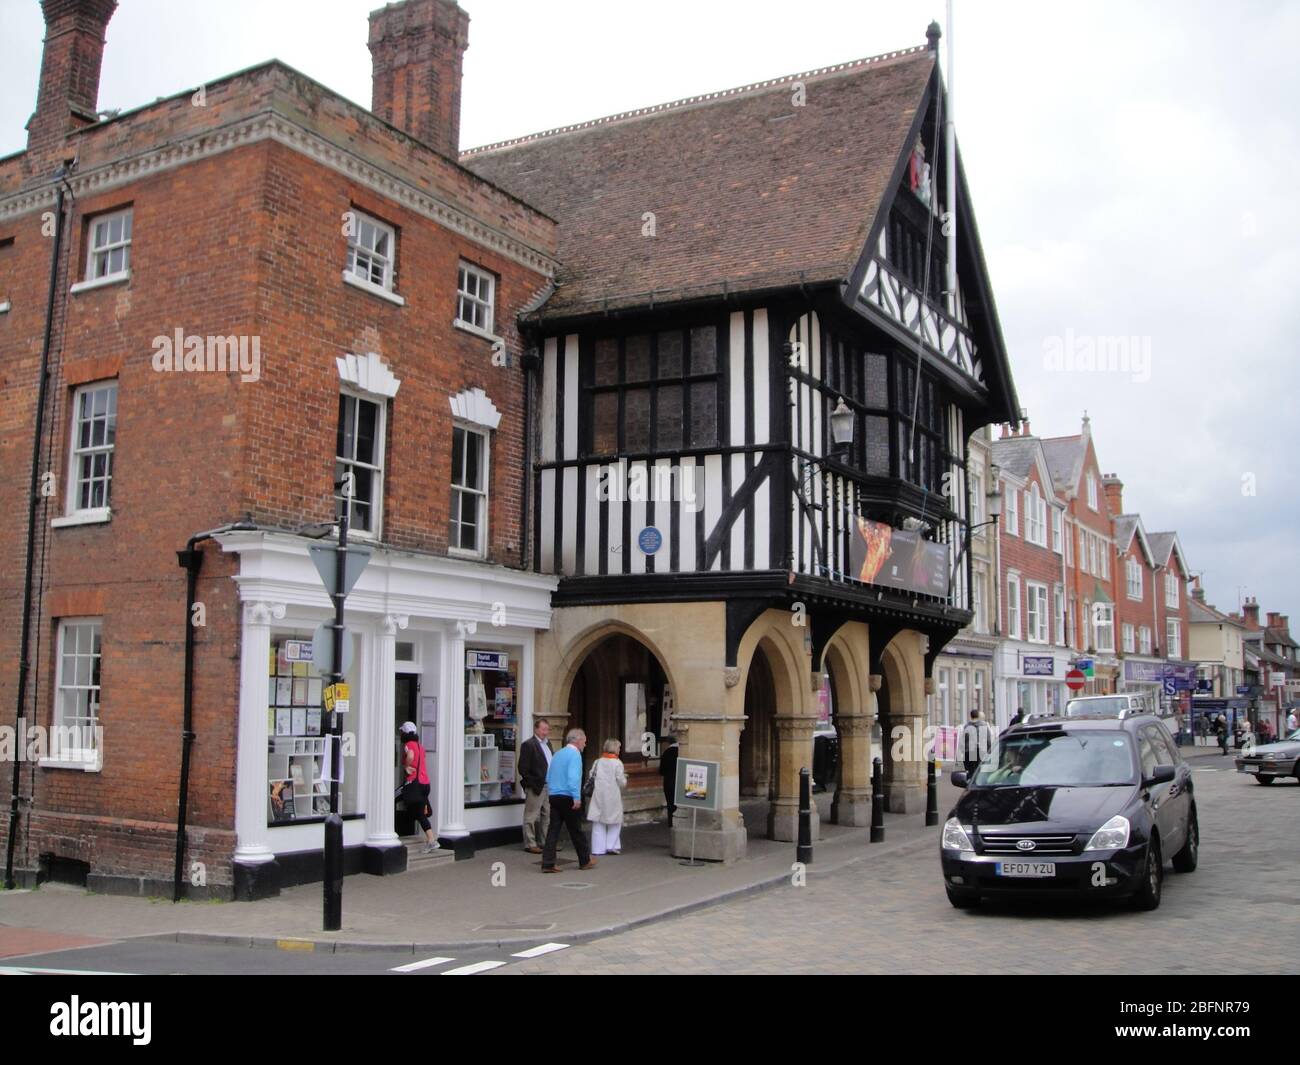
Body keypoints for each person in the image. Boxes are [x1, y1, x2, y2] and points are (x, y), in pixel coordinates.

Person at [541, 728, 595, 873]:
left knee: (553, 830)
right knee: (576, 829)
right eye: (584, 741)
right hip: (568, 796)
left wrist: (552, 790)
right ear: (577, 740)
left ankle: (548, 862)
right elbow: (573, 777)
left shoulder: (558, 754)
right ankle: (585, 860)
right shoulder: (575, 754)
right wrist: (576, 797)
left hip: (554, 795)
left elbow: (548, 775)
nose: (585, 744)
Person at [398, 721, 438, 853]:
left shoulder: (408, 745)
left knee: (416, 811)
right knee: (420, 813)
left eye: (401, 732)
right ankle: (431, 840)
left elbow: (410, 756)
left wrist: (406, 767)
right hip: (425, 783)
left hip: (415, 784)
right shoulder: (421, 747)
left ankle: (431, 841)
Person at [586, 739, 628, 855]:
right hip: (612, 795)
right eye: (619, 747)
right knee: (615, 821)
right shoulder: (617, 763)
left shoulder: (597, 761)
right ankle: (611, 845)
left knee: (598, 821)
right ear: (614, 748)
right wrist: (625, 779)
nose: (619, 750)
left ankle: (597, 848)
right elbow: (621, 782)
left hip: (598, 794)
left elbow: (591, 775)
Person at [518, 717, 553, 854]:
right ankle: (530, 843)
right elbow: (523, 768)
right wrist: (531, 783)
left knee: (547, 814)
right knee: (531, 815)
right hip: (536, 785)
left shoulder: (548, 744)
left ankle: (545, 842)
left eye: (547, 729)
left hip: (548, 784)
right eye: (543, 729)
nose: (546, 732)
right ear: (536, 729)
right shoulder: (529, 744)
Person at [959, 709, 993, 777]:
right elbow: (988, 739)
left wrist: (963, 751)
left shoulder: (966, 726)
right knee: (979, 771)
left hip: (969, 751)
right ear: (978, 716)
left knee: (970, 772)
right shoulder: (984, 725)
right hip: (981, 751)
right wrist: (990, 751)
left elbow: (962, 741)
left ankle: (970, 784)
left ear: (970, 716)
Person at [659, 734, 680, 823]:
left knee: (670, 803)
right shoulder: (682, 751)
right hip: (680, 781)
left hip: (668, 781)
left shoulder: (666, 752)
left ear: (668, 742)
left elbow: (661, 771)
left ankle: (671, 821)